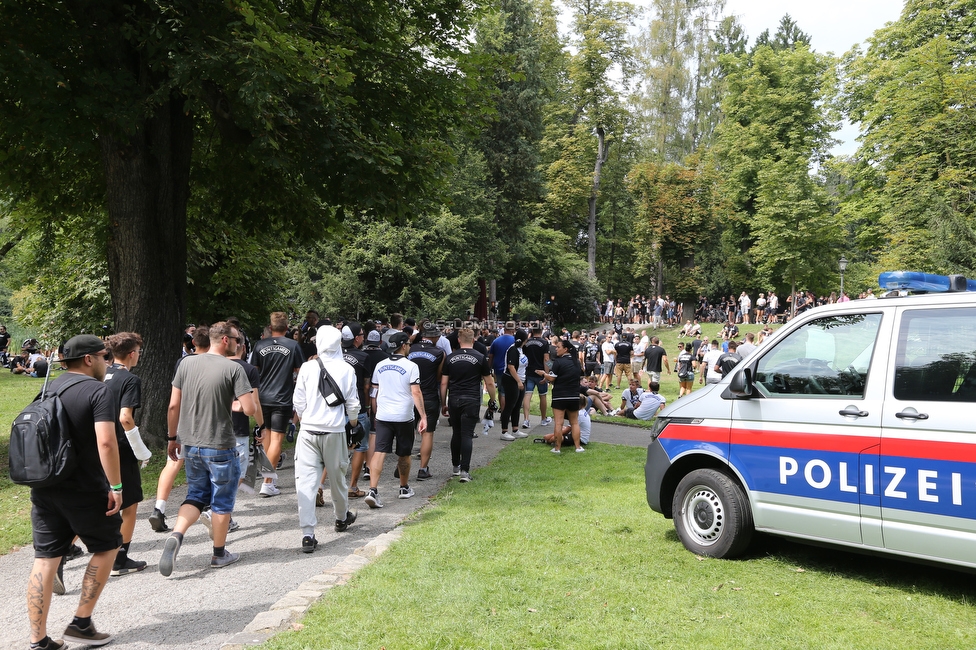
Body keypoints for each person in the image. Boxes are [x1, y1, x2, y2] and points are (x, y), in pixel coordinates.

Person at [27, 335, 122, 648]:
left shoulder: (47, 388)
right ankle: (81, 622)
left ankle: (38, 640)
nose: (107, 361)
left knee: (45, 559)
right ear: (88, 359)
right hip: (84, 487)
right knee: (108, 545)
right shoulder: (98, 390)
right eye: (104, 356)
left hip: (44, 487)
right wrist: (116, 486)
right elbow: (106, 442)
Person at [159, 322, 255, 576]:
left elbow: (173, 406)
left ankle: (177, 534)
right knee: (221, 501)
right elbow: (250, 409)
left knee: (196, 495)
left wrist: (172, 438)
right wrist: (233, 404)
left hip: (190, 443)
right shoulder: (233, 368)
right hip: (220, 444)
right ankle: (219, 553)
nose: (239, 344)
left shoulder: (186, 363)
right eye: (236, 339)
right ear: (225, 340)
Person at [293, 326, 360, 553]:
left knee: (306, 483)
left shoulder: (307, 367)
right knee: (338, 478)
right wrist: (353, 425)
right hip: (334, 431)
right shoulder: (347, 369)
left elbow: (298, 401)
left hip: (309, 432)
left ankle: (308, 533)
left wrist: (306, 421)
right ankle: (341, 518)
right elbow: (353, 403)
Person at [149, 325, 210, 533]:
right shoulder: (216, 363)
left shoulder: (182, 362)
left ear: (194, 342)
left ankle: (159, 507)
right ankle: (213, 510)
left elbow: (175, 400)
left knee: (173, 463)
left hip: (183, 419)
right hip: (204, 422)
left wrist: (171, 434)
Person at [103, 332, 151, 577]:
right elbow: (125, 417)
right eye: (139, 351)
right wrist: (140, 448)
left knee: (97, 501)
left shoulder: (100, 375)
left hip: (98, 446)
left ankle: (62, 554)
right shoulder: (130, 379)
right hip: (120, 448)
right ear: (132, 353)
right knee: (129, 503)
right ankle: (120, 560)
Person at [365, 332, 426, 508]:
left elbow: (373, 391)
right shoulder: (411, 366)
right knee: (404, 453)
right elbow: (416, 392)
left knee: (380, 451)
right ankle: (404, 487)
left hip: (383, 415)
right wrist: (423, 416)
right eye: (408, 344)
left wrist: (375, 412)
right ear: (404, 346)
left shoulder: (380, 365)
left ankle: (373, 490)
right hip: (403, 416)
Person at [251, 311, 304, 498]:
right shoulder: (293, 345)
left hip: (262, 397)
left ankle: (269, 479)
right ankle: (267, 481)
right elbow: (300, 372)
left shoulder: (259, 345)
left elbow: (253, 372)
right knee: (277, 441)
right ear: (287, 327)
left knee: (267, 438)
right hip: (282, 397)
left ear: (271, 327)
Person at [440, 328, 498, 481]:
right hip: (471, 399)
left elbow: (444, 383)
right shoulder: (479, 357)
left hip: (454, 398)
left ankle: (455, 466)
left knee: (456, 433)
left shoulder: (450, 357)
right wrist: (492, 400)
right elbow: (490, 382)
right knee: (467, 435)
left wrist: (443, 402)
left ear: (459, 340)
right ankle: (465, 471)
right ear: (474, 340)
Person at [407, 321, 445, 479]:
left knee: (407, 432)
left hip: (408, 395)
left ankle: (403, 463)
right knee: (428, 433)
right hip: (428, 394)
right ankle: (423, 469)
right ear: (435, 337)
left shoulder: (409, 349)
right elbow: (439, 376)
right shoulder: (439, 352)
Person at [341, 322, 371, 498]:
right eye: (361, 334)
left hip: (336, 408)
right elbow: (366, 386)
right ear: (356, 338)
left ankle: (320, 485)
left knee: (334, 447)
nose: (363, 337)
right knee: (360, 446)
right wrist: (367, 406)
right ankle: (352, 486)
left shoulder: (333, 356)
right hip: (357, 406)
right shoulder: (363, 356)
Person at [541, 338, 584, 453]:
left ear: (565, 349)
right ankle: (578, 447)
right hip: (574, 395)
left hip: (560, 395)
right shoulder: (577, 362)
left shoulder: (558, 362)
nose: (556, 349)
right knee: (574, 422)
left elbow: (552, 377)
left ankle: (557, 448)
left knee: (559, 423)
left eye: (558, 347)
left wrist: (544, 374)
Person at [499, 329, 528, 441]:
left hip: (521, 380)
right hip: (512, 380)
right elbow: (511, 367)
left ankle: (515, 429)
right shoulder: (513, 349)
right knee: (509, 405)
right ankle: (504, 431)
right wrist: (518, 381)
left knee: (517, 406)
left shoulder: (521, 350)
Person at [521, 326, 551, 429]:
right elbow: (546, 359)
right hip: (540, 372)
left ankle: (526, 419)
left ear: (532, 331)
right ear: (542, 331)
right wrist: (547, 374)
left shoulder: (527, 342)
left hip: (529, 372)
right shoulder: (544, 342)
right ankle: (543, 419)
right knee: (542, 396)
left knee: (527, 395)